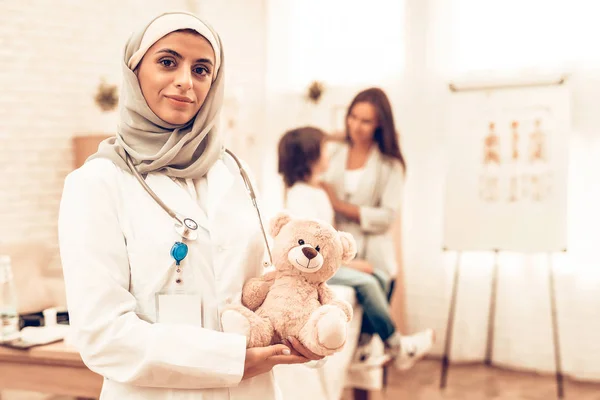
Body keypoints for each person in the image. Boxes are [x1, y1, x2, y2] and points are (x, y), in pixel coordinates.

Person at [58, 11, 320, 400]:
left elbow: (262, 280)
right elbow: (101, 334)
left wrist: (304, 316)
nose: (186, 80)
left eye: (201, 69)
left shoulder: (236, 171)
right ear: (135, 71)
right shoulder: (96, 183)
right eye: (168, 62)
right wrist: (230, 359)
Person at [279, 89, 434, 371]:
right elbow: (307, 152)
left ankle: (369, 351)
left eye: (365, 121)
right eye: (352, 118)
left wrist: (338, 204)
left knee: (378, 279)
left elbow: (386, 217)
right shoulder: (330, 159)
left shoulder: (389, 164)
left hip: (367, 248)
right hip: (329, 251)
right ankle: (395, 346)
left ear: (379, 125)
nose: (355, 126)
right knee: (367, 285)